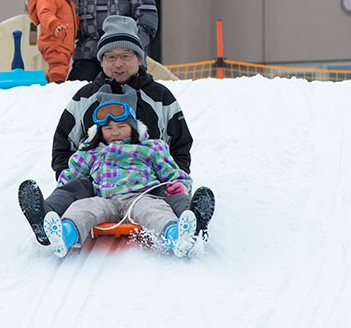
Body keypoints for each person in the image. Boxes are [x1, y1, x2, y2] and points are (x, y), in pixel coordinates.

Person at [18, 15, 215, 245]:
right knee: (74, 191)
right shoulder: (85, 97)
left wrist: (174, 180)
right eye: (111, 57)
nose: (118, 64)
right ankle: (47, 218)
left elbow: (180, 144)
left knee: (172, 195)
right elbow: (64, 144)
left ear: (139, 59)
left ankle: (190, 224)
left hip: (149, 184)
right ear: (101, 61)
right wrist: (72, 177)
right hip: (97, 185)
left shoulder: (160, 97)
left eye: (125, 56)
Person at [41, 98, 198, 259]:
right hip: (105, 200)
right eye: (108, 128)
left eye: (121, 127)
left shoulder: (150, 147)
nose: (115, 132)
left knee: (154, 211)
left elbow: (174, 173)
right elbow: (72, 175)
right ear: (100, 132)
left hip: (140, 197)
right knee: (83, 207)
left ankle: (176, 237)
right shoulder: (93, 151)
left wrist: (180, 186)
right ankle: (64, 236)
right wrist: (60, 195)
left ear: (133, 127)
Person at [26, 0, 79, 84]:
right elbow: (45, 13)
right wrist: (54, 24)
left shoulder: (67, 1)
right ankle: (56, 86)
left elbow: (72, 19)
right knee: (59, 66)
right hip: (54, 40)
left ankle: (50, 83)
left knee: (61, 65)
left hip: (64, 42)